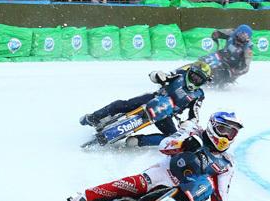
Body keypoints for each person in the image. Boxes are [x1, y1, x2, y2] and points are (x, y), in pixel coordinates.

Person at [67, 110, 242, 201]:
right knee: (138, 183)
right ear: (212, 126)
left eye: (231, 132)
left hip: (186, 194)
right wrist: (183, 144)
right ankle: (85, 197)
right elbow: (165, 145)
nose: (226, 136)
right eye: (223, 129)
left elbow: (221, 192)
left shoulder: (227, 163)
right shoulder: (194, 132)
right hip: (165, 174)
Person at [80, 61, 212, 147]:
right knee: (122, 105)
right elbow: (163, 75)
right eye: (194, 77)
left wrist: (188, 122)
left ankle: (140, 141)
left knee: (172, 138)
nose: (195, 81)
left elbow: (195, 115)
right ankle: (94, 117)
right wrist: (159, 76)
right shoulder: (180, 74)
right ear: (190, 72)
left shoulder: (199, 95)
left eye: (199, 80)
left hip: (166, 114)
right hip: (154, 98)